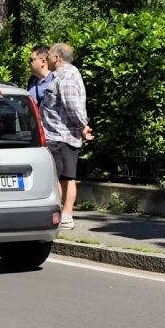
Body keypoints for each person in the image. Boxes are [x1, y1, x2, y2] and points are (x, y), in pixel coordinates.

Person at [40, 42, 93, 230]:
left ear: (57, 57)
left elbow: (71, 104)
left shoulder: (67, 75)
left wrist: (82, 126)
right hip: (56, 135)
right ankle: (57, 215)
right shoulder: (61, 75)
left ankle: (66, 217)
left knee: (65, 178)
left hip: (62, 136)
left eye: (49, 56)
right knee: (58, 177)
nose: (45, 59)